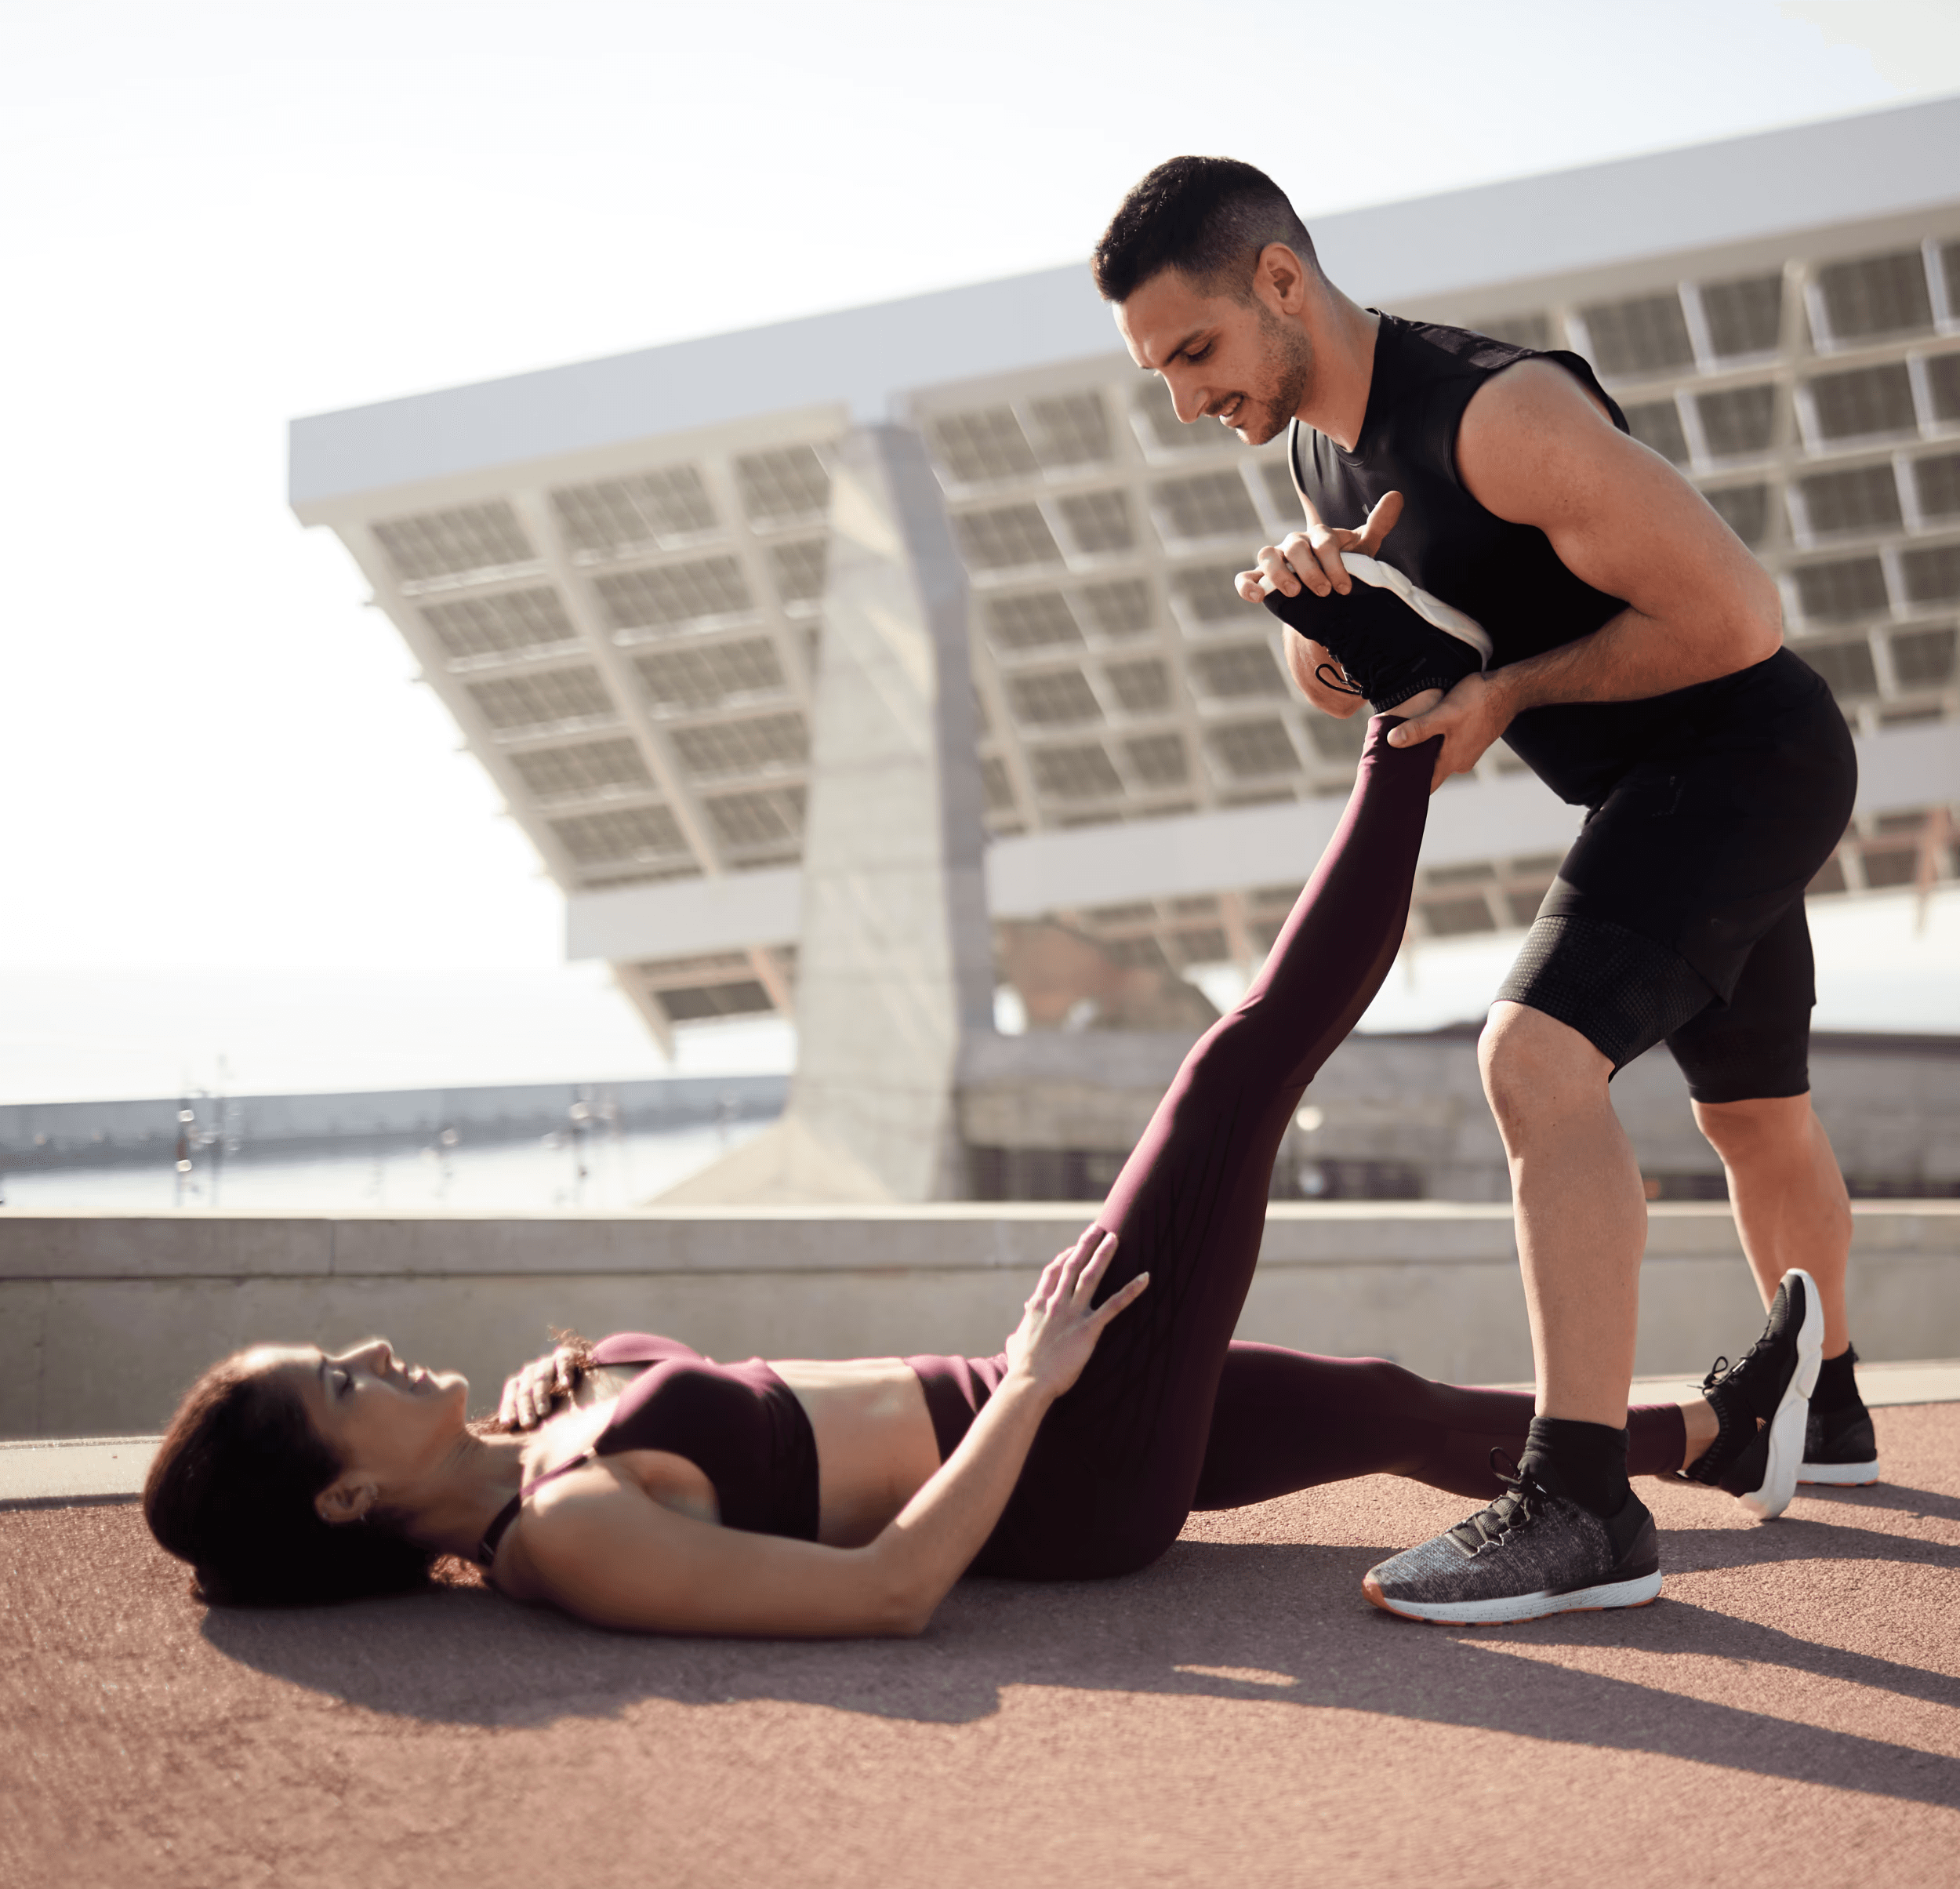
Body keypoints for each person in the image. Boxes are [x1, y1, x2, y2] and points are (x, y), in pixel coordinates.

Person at [143, 622, 1822, 1632]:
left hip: (1041, 1405)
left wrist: (593, 1359)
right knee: (1232, 1074)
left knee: (1376, 1402)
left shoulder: (544, 1440)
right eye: (340, 1383)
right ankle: (1406, 726)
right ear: (349, 1505)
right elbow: (886, 1593)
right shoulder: (564, 1537)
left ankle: (1706, 1443)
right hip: (1056, 1465)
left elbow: (730, 1415)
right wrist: (1029, 1386)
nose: (367, 1349)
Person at [1091, 155, 1873, 1624]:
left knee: (1536, 1059)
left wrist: (1508, 696)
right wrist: (1319, 635)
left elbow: (1738, 616)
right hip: (1677, 786)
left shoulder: (1497, 414)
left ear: (1280, 283)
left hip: (1739, 756)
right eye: (1161, 375)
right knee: (1755, 1115)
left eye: (1194, 353)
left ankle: (1580, 1502)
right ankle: (1825, 1411)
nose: (1188, 401)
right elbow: (1407, 651)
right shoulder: (1324, 455)